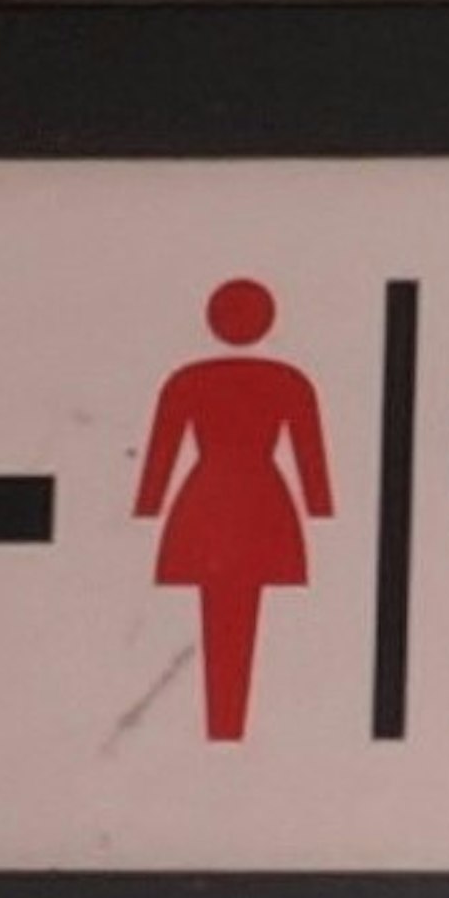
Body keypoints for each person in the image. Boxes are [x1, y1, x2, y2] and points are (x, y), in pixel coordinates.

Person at [134, 279, 333, 741]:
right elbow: (310, 460)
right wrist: (318, 505)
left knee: (224, 606)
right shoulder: (287, 380)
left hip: (208, 497)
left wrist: (150, 505)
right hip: (260, 496)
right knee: (234, 608)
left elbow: (163, 454)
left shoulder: (188, 380)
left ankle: (226, 727)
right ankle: (225, 728)